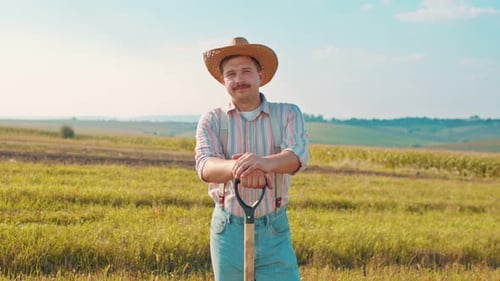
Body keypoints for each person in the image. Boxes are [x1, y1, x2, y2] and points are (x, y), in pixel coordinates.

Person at [195, 36, 309, 281]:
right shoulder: (212, 120)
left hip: (274, 227)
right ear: (223, 80)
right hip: (228, 229)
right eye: (231, 74)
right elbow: (205, 165)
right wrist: (240, 167)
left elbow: (297, 155)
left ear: (261, 74)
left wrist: (264, 163)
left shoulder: (288, 113)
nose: (239, 79)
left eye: (246, 71)